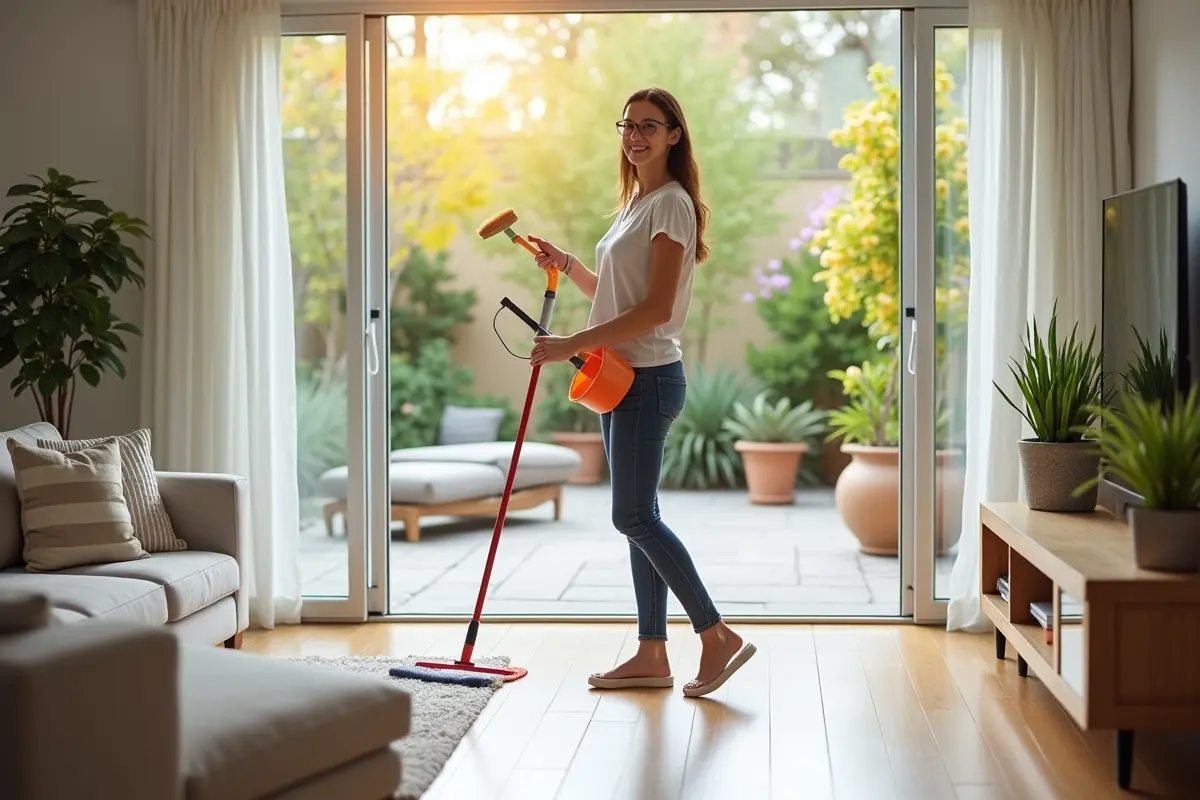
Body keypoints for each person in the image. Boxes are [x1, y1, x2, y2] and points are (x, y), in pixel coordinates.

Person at [526, 87, 755, 699]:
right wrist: (570, 264)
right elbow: (622, 294)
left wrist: (569, 338)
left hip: (648, 379)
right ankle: (652, 653)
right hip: (621, 376)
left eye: (648, 126)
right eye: (627, 125)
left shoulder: (673, 205)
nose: (634, 135)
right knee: (640, 518)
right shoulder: (638, 201)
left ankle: (717, 635)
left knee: (631, 514)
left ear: (675, 134)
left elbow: (654, 310)